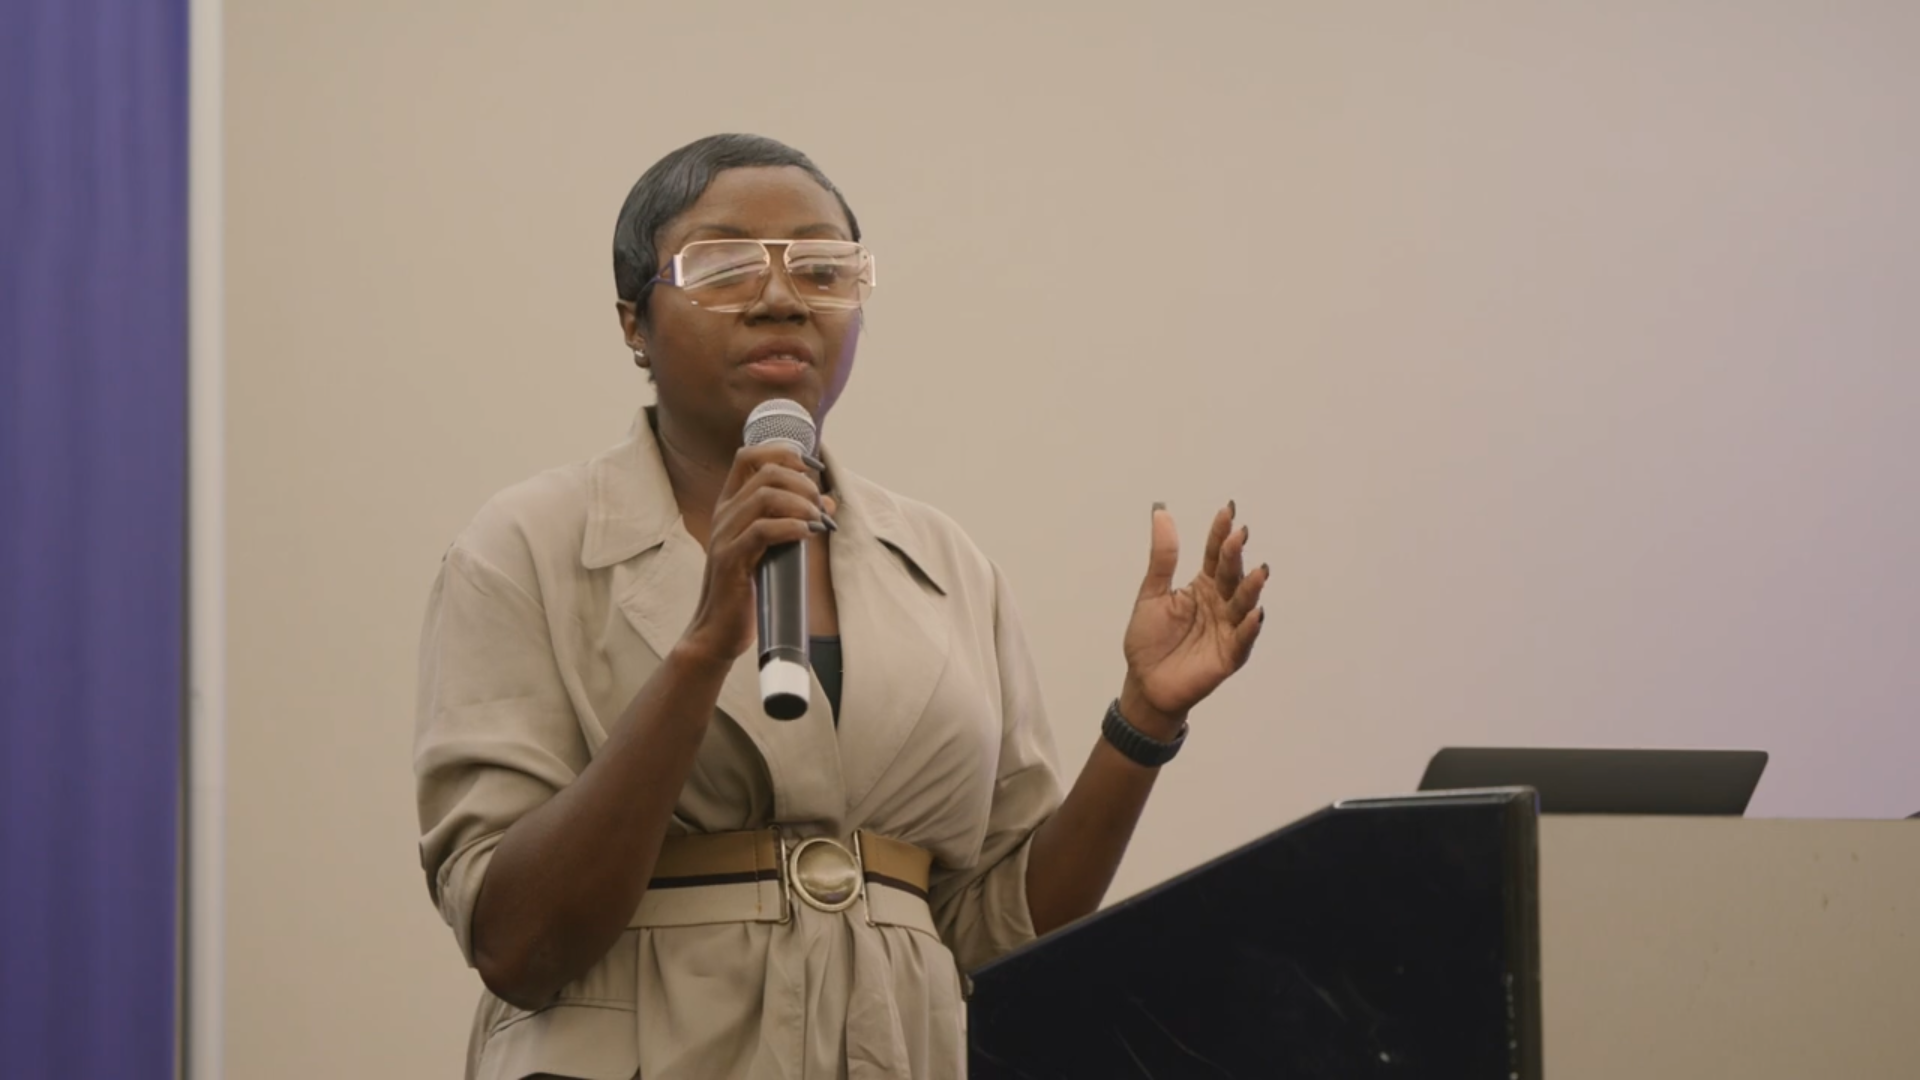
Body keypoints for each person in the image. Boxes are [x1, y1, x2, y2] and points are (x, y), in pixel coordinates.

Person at [413, 133, 1268, 1080]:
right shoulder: (527, 546)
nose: (781, 299)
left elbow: (1000, 940)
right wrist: (703, 650)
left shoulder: (945, 564)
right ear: (632, 324)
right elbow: (515, 938)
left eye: (823, 268)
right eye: (726, 265)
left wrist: (1143, 722)